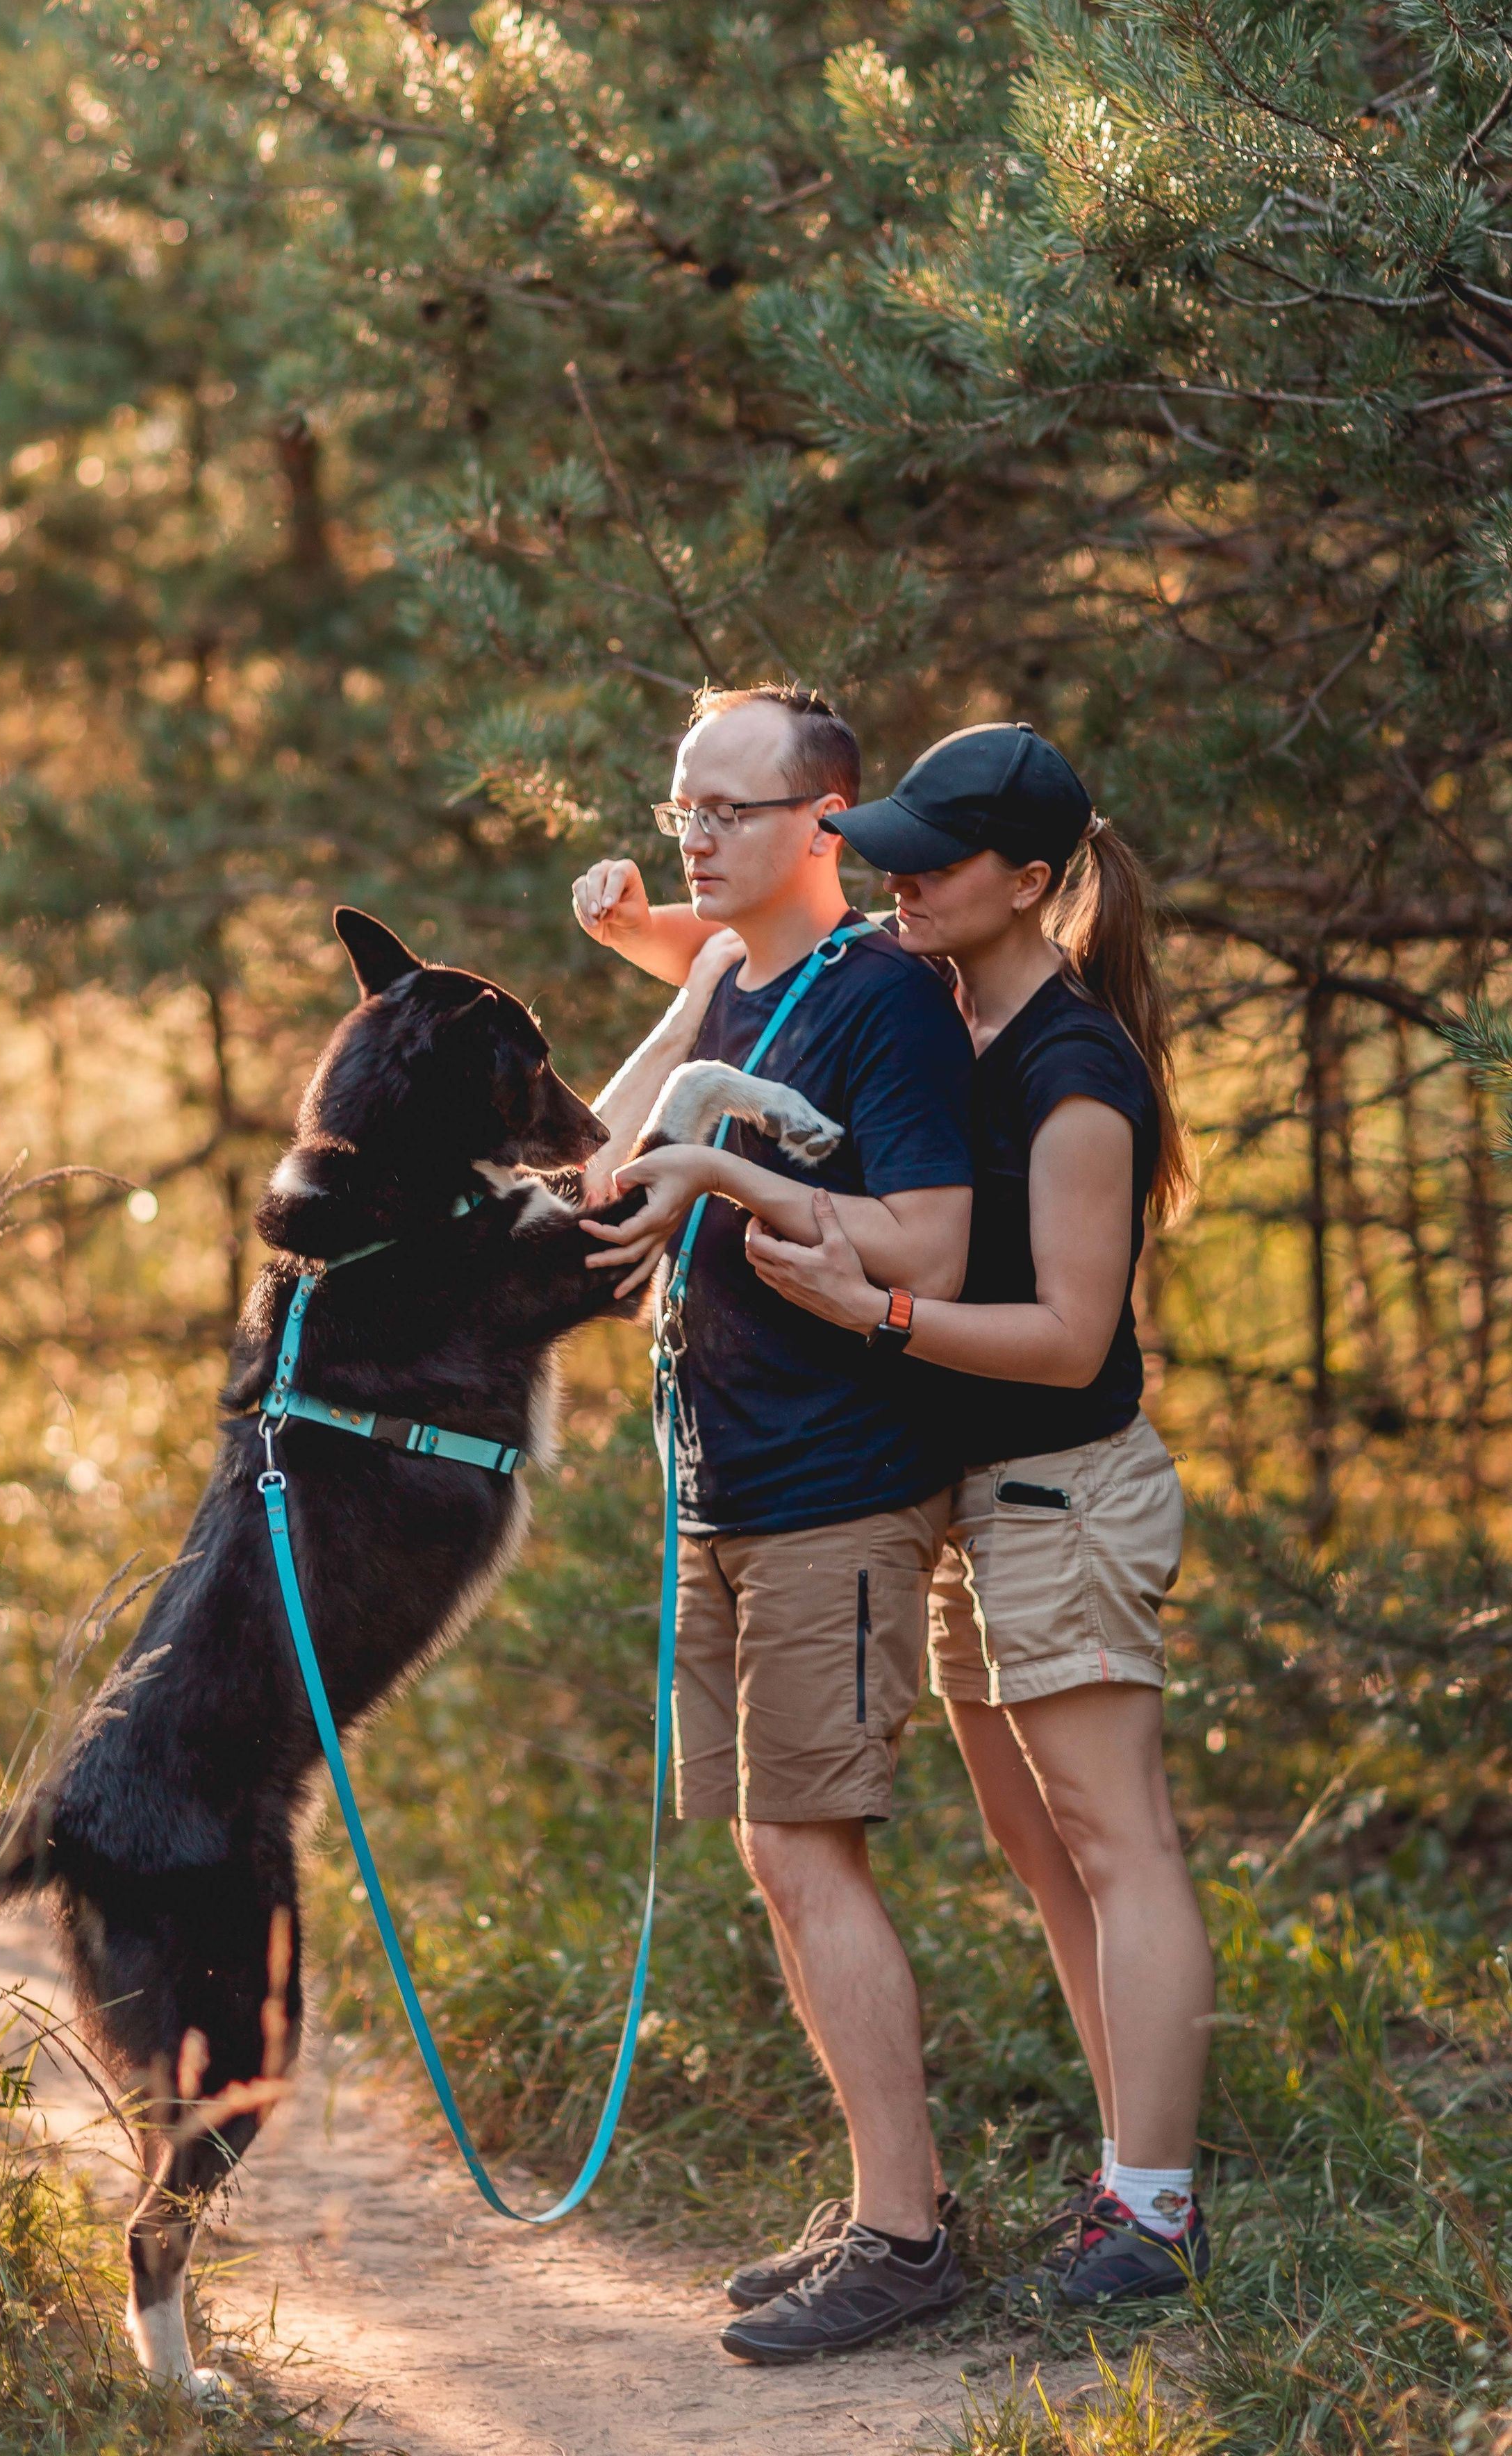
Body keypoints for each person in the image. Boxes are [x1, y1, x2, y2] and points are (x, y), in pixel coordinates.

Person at [579, 722, 1214, 2314]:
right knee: (1031, 1840)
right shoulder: (946, 996)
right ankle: (1119, 2179)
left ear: (1026, 882)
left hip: (1063, 1480)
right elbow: (748, 929)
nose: (895, 873)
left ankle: (1154, 2207)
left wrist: (875, 1317)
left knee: (1113, 1839)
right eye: (891, 844)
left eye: (930, 857)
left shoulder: (1072, 1079)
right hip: (979, 1489)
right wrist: (643, 929)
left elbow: (1070, 1340)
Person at [576, 685, 977, 2363]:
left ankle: (906, 2238)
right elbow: (600, 1164)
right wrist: (683, 1060)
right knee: (771, 1849)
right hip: (720, 1483)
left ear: (827, 818)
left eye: (731, 808)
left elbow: (927, 1249)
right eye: (683, 805)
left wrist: (727, 1160)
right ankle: (884, 2199)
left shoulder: (881, 999)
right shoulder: (734, 977)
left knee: (812, 1849)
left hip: (841, 1482)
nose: (695, 833)